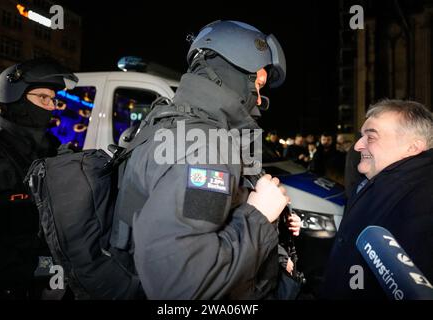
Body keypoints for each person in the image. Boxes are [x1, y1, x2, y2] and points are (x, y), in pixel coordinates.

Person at [110, 20, 301, 299]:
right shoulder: (207, 147)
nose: (259, 100)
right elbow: (181, 285)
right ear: (234, 72)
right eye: (258, 85)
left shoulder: (167, 122)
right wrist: (259, 217)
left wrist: (266, 215)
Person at [0, 58, 78, 299]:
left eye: (53, 100)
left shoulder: (55, 149)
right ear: (15, 97)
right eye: (42, 98)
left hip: (57, 280)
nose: (51, 106)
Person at [321, 99, 433, 299]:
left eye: (370, 137)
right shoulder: (376, 183)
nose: (357, 145)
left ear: (413, 147)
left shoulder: (421, 205)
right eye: (361, 136)